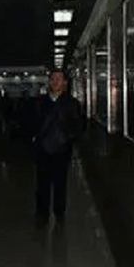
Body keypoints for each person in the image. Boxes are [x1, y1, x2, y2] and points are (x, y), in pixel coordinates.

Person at [33, 70, 83, 230]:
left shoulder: (72, 103)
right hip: (42, 149)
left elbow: (78, 126)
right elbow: (32, 123)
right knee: (42, 182)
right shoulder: (40, 102)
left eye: (59, 79)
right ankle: (42, 213)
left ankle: (59, 212)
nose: (55, 82)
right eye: (53, 79)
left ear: (65, 82)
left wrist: (65, 138)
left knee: (60, 182)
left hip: (62, 149)